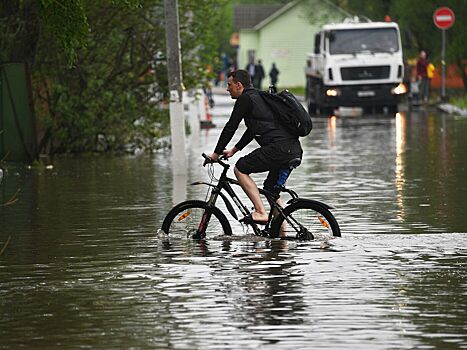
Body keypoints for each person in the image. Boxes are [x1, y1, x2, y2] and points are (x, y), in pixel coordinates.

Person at [204, 69, 302, 233]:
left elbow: (231, 127)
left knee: (240, 168)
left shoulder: (245, 99)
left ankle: (260, 212)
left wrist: (216, 153)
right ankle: (282, 238)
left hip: (279, 148)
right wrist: (234, 150)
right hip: (292, 148)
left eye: (229, 85)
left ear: (239, 85)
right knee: (271, 191)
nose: (227, 89)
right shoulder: (257, 97)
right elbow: (253, 130)